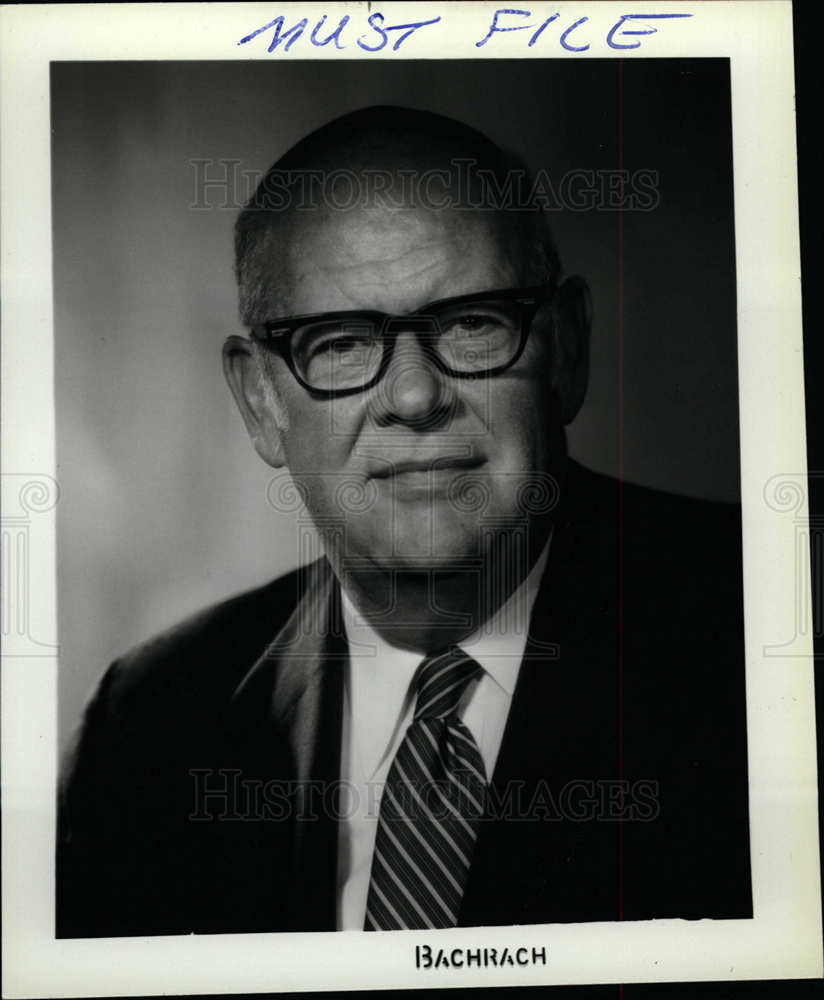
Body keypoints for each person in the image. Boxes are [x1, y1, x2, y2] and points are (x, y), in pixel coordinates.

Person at [57, 106, 752, 937]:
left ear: (565, 348)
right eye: (341, 342)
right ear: (261, 401)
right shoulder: (147, 724)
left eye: (472, 323)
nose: (416, 397)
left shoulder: (766, 631)